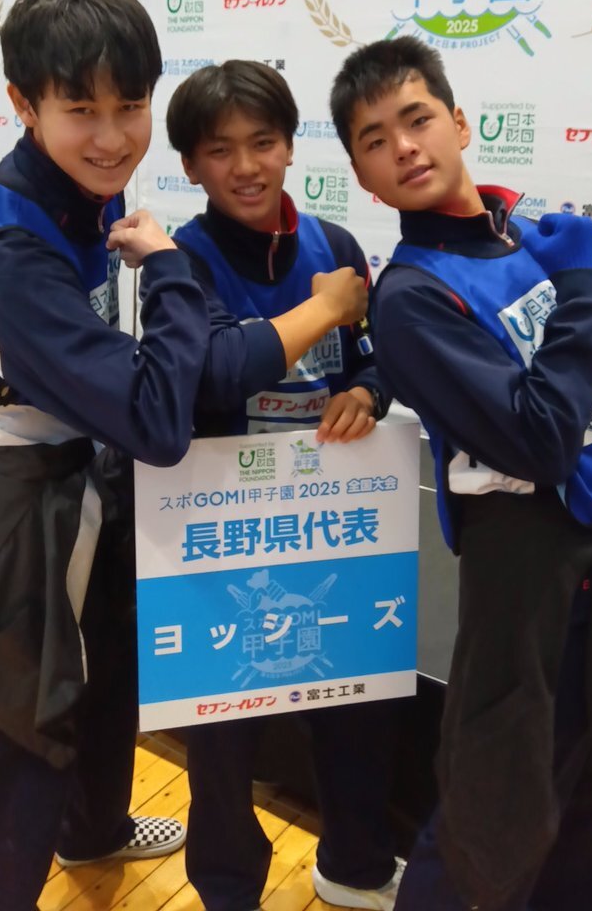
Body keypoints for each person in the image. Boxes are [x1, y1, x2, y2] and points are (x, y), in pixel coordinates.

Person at [327, 36, 592, 911]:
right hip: (544, 594)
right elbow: (543, 439)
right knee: (493, 820)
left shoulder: (523, 240)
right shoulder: (413, 300)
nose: (405, 147)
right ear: (363, 176)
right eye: (376, 140)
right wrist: (581, 286)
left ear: (460, 123)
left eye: (418, 119)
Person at [0, 0, 210, 911]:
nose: (113, 136)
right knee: (19, 718)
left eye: (131, 105)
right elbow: (156, 422)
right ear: (23, 104)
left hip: (82, 464)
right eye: (82, 110)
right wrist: (172, 273)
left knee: (106, 677)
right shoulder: (13, 255)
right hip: (15, 500)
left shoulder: (86, 189)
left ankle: (96, 831)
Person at [142, 59, 404, 911]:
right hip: (225, 530)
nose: (247, 166)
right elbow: (213, 376)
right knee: (223, 735)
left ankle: (355, 866)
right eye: (220, 151)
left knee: (355, 704)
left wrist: (369, 392)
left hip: (332, 522)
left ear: (291, 146)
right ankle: (227, 891)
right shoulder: (181, 260)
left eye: (263, 142)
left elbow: (377, 359)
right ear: (190, 165)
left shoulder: (337, 247)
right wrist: (325, 309)